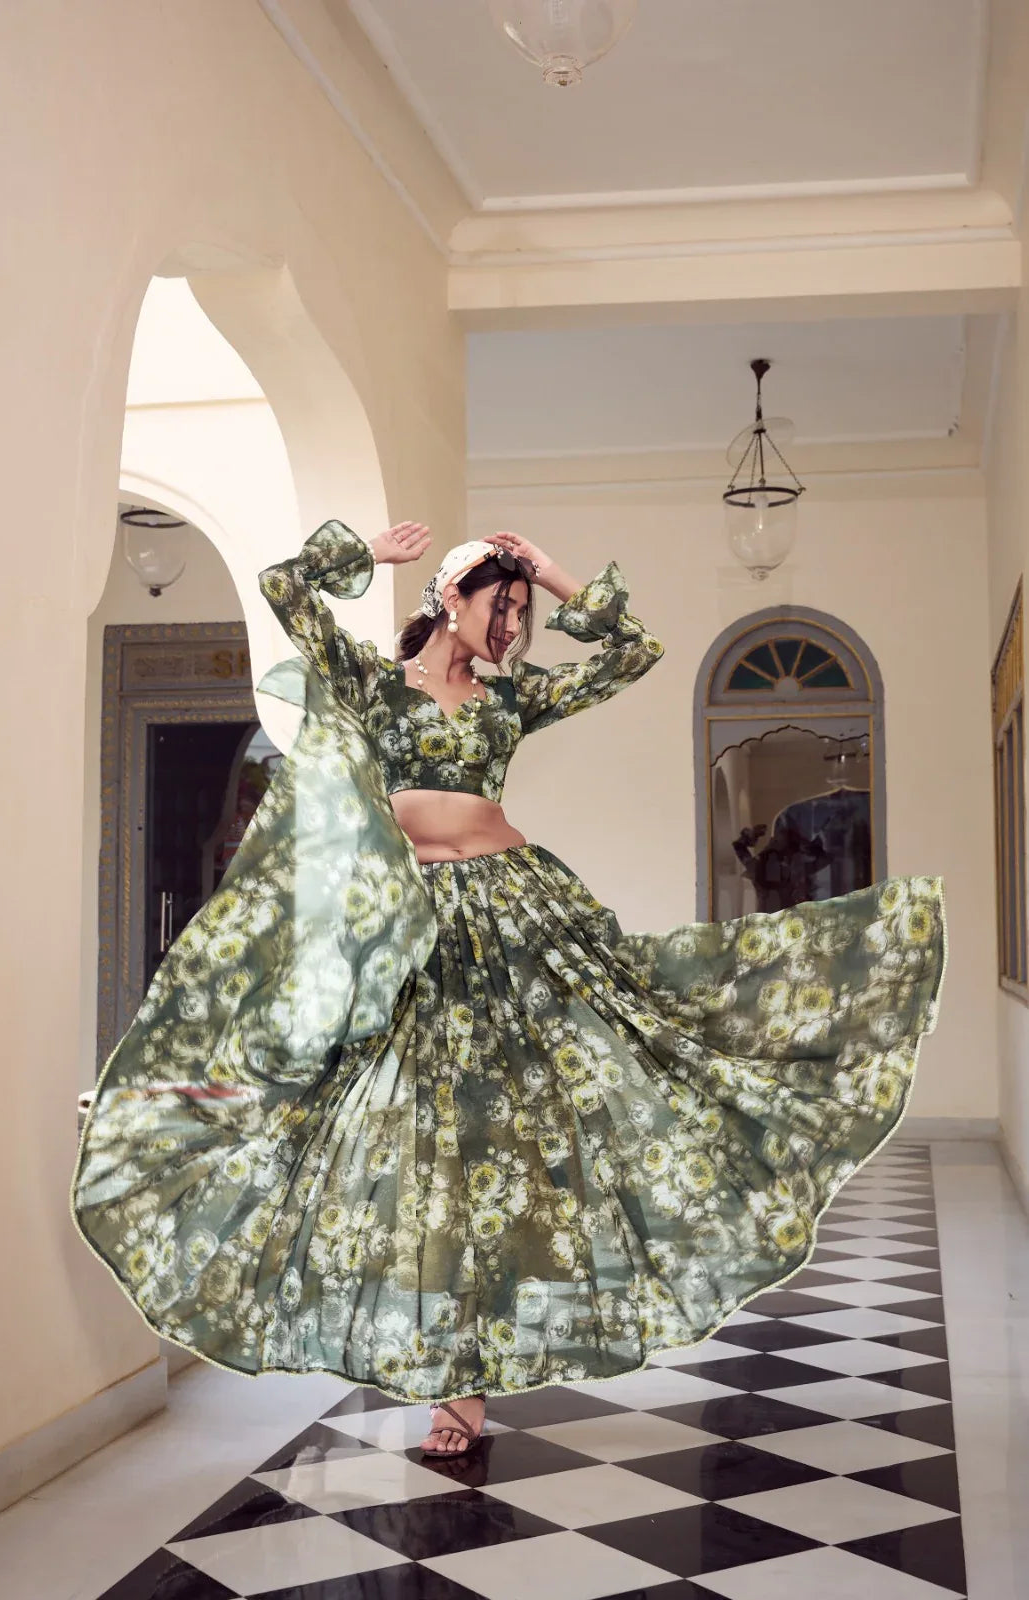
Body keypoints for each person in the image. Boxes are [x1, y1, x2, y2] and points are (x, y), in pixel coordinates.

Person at [72, 517, 947, 1460]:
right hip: (408, 926)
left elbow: (634, 650)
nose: (514, 622)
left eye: (523, 610)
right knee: (423, 1149)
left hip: (511, 913)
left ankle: (476, 1379)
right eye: (504, 603)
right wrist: (365, 553)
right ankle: (449, 1367)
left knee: (515, 1133)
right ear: (452, 599)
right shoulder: (374, 686)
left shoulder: (507, 700)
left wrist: (551, 572)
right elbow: (286, 587)